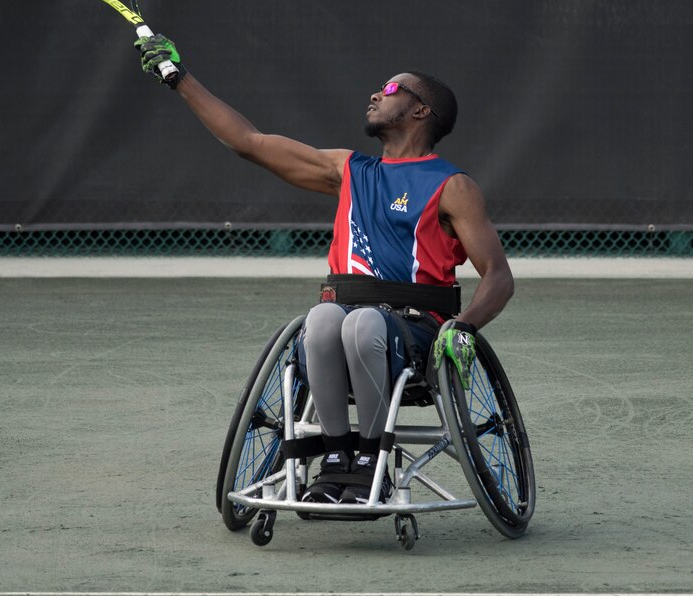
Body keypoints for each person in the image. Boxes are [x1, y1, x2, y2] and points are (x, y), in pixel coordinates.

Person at [136, 35, 514, 505]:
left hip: (416, 332)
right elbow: (248, 142)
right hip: (348, 320)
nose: (376, 94)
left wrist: (464, 328)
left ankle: (373, 457)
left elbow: (499, 275)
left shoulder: (452, 186)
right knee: (320, 319)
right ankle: (337, 456)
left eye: (391, 89)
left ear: (421, 112)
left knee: (360, 322)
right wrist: (179, 79)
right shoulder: (347, 170)